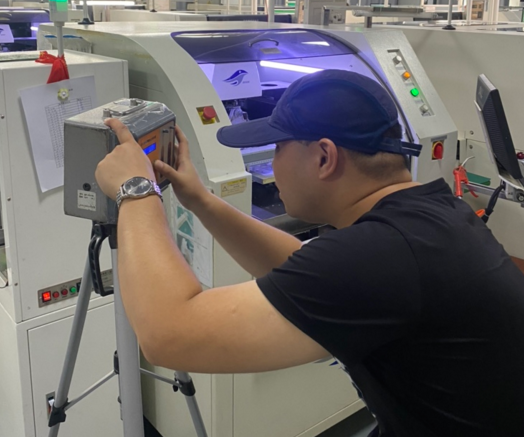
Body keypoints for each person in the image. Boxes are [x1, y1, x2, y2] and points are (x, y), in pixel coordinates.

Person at [95, 70, 524, 437]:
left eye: (278, 148)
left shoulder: (380, 257)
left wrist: (136, 192)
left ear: (324, 157)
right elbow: (300, 264)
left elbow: (168, 335)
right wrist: (201, 201)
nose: (271, 163)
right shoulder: (428, 216)